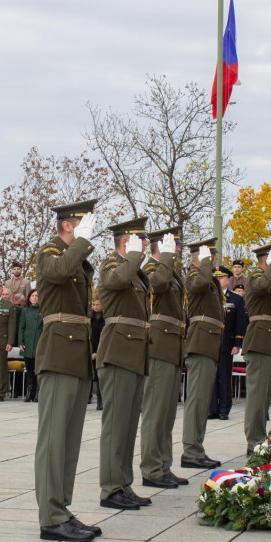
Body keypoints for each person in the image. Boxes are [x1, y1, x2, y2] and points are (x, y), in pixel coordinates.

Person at [34, 199, 99, 542]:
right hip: (59, 351)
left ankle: (61, 509)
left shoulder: (77, 258)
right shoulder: (49, 251)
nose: (91, 229)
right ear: (69, 226)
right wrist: (83, 244)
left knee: (69, 441)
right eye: (84, 223)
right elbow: (57, 274)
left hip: (75, 353)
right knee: (53, 440)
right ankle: (50, 516)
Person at [96, 217, 151, 512]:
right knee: (115, 425)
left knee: (128, 426)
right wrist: (132, 255)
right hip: (118, 351)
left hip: (134, 352)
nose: (145, 244)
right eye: (140, 238)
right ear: (125, 240)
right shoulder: (111, 265)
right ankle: (109, 488)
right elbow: (115, 282)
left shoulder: (135, 270)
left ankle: (123, 484)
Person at [138, 226, 188, 490]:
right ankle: (150, 468)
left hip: (172, 345)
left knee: (167, 413)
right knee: (155, 412)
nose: (177, 249)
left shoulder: (169, 270)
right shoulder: (150, 268)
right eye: (172, 245)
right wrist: (165, 258)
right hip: (158, 345)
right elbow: (156, 285)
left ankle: (163, 465)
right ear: (160, 246)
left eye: (176, 245)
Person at [180, 238, 223, 470]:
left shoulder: (208, 278)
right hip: (200, 341)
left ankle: (197, 448)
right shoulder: (194, 275)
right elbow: (200, 283)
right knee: (196, 400)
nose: (214, 260)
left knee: (202, 400)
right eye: (210, 256)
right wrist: (204, 263)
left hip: (209, 342)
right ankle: (190, 450)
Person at [242, 241, 271, 453]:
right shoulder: (256, 278)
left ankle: (260, 437)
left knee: (265, 395)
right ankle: (254, 440)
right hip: (259, 340)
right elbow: (263, 287)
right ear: (267, 260)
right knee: (257, 396)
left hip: (270, 341)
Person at [208, 266, 246, 420]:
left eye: (221, 277)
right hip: (210, 343)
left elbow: (240, 322)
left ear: (228, 279)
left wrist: (237, 343)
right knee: (210, 378)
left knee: (224, 377)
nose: (218, 280)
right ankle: (212, 409)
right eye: (216, 277)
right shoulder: (209, 296)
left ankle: (224, 409)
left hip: (226, 343)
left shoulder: (235, 298)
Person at [18, 289, 43, 403]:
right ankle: (30, 391)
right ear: (29, 298)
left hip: (39, 343)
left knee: (38, 369)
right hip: (27, 343)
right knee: (29, 370)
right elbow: (21, 327)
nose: (34, 298)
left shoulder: (43, 310)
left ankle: (38, 391)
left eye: (37, 296)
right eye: (32, 295)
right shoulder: (25, 310)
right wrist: (20, 342)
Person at [89, 298, 104, 410]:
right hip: (92, 350)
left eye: (98, 304)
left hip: (102, 350)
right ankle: (91, 398)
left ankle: (101, 400)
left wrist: (98, 352)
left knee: (101, 377)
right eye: (93, 304)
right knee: (93, 375)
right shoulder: (90, 319)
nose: (95, 306)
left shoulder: (105, 319)